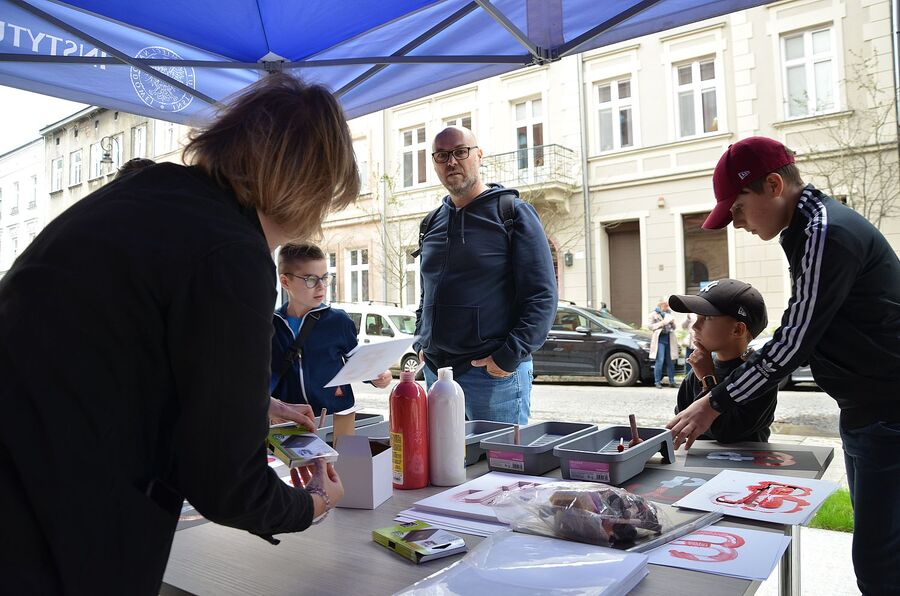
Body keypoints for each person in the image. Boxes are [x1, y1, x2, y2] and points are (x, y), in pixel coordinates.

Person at [0, 74, 358, 594]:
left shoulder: (148, 195)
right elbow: (226, 481)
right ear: (304, 188)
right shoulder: (230, 250)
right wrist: (308, 507)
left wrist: (253, 405)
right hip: (52, 524)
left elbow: (128, 354)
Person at [666, 136, 900, 594]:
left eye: (737, 210)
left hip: (887, 411)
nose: (736, 224)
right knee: (882, 551)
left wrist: (715, 400)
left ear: (773, 185)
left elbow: (794, 339)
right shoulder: (808, 229)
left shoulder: (824, 232)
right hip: (869, 409)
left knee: (880, 561)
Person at [414, 126, 557, 424]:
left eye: (460, 152)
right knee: (445, 467)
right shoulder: (431, 223)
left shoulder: (512, 213)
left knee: (500, 465)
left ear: (479, 155)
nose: (451, 161)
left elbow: (542, 296)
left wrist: (508, 356)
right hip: (437, 374)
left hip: (492, 375)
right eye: (442, 155)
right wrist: (422, 340)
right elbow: (427, 291)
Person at [270, 242, 391, 417]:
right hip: (287, 421)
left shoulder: (338, 321)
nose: (322, 286)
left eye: (325, 277)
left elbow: (357, 362)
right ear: (285, 281)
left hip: (336, 418)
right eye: (311, 279)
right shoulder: (271, 325)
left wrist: (377, 376)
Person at [670, 279, 775, 443]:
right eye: (697, 317)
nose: (695, 326)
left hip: (744, 466)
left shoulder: (758, 374)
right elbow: (681, 425)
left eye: (707, 318)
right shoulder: (699, 367)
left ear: (738, 329)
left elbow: (726, 432)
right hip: (697, 466)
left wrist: (707, 380)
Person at [647, 299, 678, 388]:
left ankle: (672, 381)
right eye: (665, 305)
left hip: (669, 338)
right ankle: (657, 382)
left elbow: (674, 328)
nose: (667, 307)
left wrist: (672, 323)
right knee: (659, 361)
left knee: (670, 361)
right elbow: (650, 326)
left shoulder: (669, 314)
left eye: (667, 305)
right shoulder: (653, 314)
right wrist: (662, 323)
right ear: (661, 305)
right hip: (659, 339)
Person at [681, 312, 697, 377]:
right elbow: (683, 326)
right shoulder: (690, 314)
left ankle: (696, 377)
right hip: (690, 342)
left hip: (700, 341)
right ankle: (688, 377)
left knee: (697, 360)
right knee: (688, 360)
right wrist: (687, 319)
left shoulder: (703, 312)